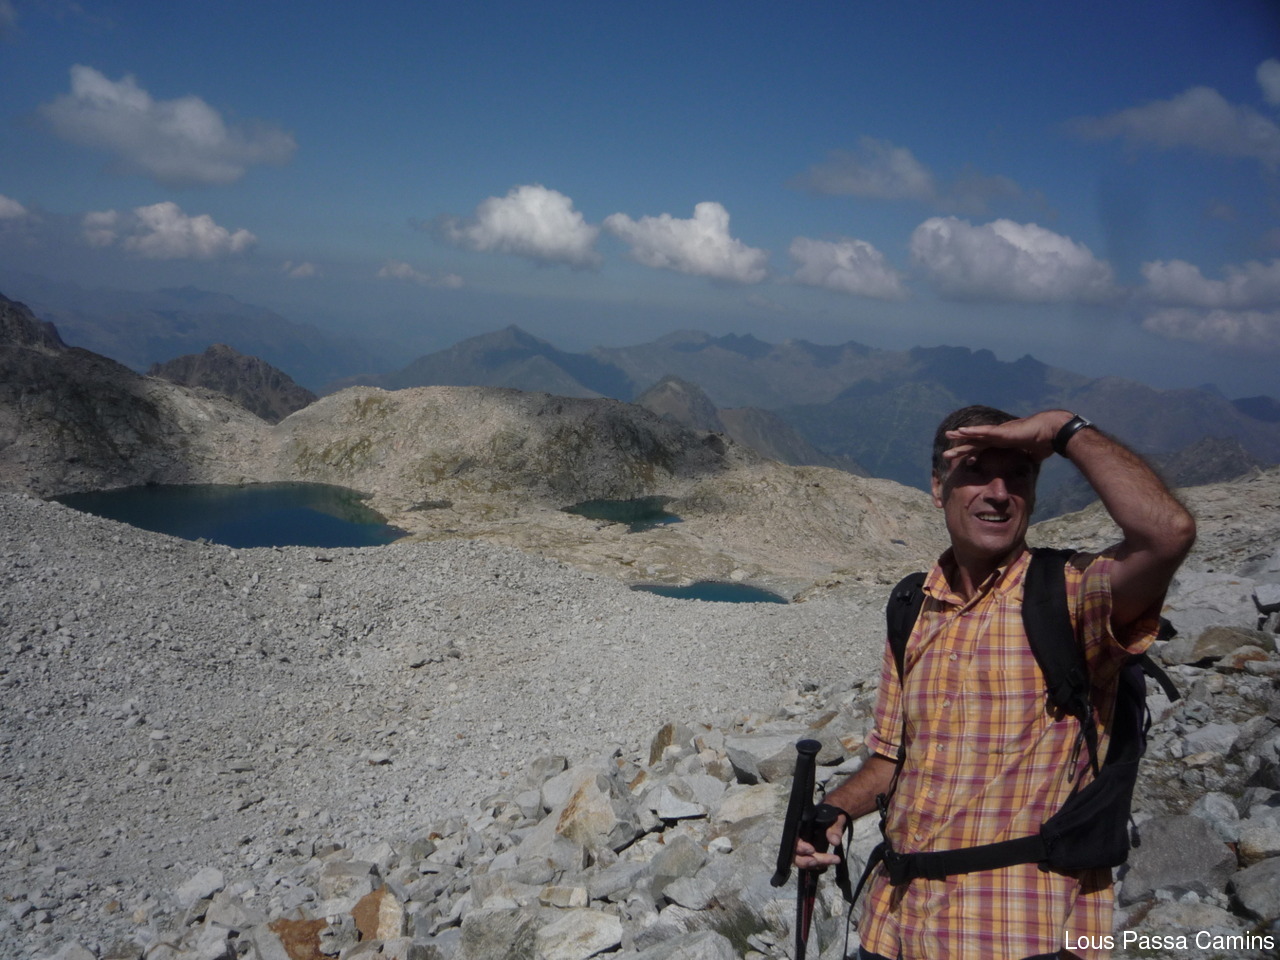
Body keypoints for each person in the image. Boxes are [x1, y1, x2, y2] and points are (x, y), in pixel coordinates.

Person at [794, 406, 1196, 960]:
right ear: (938, 487)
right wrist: (835, 810)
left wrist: (1063, 430)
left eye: (1019, 475)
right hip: (894, 927)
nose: (999, 493)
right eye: (976, 471)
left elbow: (1167, 534)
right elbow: (892, 760)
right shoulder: (913, 606)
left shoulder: (1071, 596)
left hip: (1020, 933)